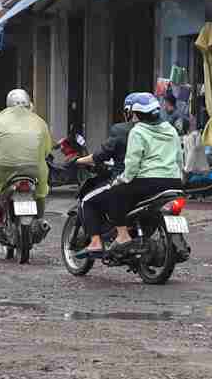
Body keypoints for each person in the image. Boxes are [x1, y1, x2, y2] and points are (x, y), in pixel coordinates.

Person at [72, 92, 183, 256]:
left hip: (146, 182)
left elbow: (132, 164)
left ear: (136, 114)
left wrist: (122, 180)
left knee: (114, 191)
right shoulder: (170, 129)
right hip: (173, 182)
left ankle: (122, 236)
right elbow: (179, 158)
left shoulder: (137, 131)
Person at [0, 89, 52, 238]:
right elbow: (47, 148)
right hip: (34, 169)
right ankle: (40, 219)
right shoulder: (39, 121)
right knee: (40, 191)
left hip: (3, 169)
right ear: (28, 103)